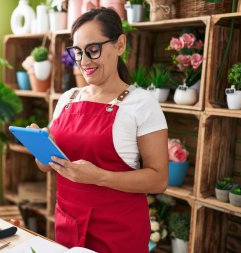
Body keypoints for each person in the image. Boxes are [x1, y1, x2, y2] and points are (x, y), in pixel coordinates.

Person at [28, 7, 168, 253]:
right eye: (78, 52)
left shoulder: (141, 103)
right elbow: (47, 166)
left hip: (118, 235)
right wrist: (40, 144)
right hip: (68, 228)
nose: (83, 62)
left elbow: (159, 179)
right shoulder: (68, 98)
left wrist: (99, 177)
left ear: (120, 44)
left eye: (93, 50)